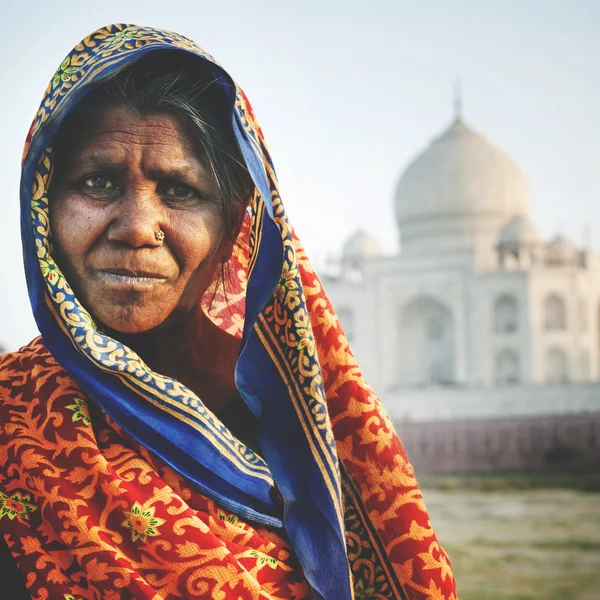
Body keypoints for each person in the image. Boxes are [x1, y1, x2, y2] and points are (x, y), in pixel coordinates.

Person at [0, 24, 457, 600]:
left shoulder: (302, 424)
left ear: (234, 222)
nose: (138, 226)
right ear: (43, 205)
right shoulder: (14, 416)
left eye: (179, 191)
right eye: (97, 183)